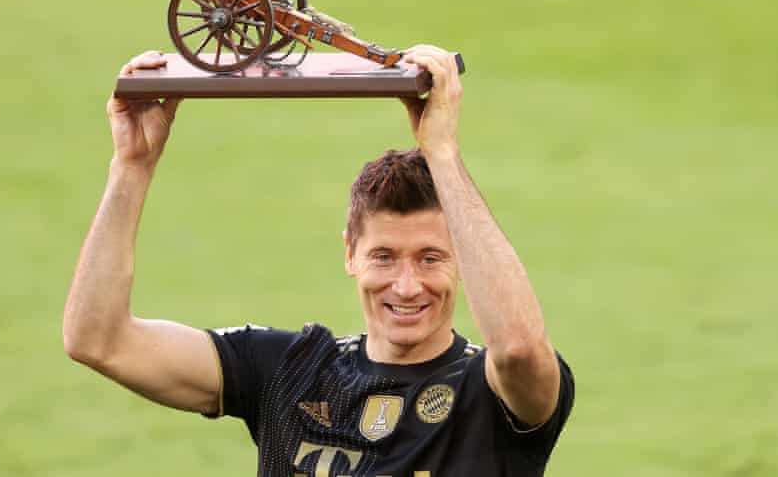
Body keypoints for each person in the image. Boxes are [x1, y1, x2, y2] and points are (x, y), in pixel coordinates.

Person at [64, 45, 574, 476]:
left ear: (463, 259)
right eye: (384, 256)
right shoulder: (289, 371)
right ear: (350, 255)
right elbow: (98, 339)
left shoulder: (489, 394)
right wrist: (132, 166)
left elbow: (520, 350)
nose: (407, 284)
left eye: (430, 258)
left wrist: (442, 153)